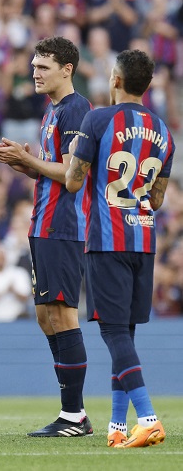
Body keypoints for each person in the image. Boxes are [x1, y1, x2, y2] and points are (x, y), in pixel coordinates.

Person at [66, 49, 175, 448]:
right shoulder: (164, 130)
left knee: (112, 331)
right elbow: (158, 198)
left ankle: (147, 417)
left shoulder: (97, 119)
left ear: (115, 79)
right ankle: (116, 427)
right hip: (143, 239)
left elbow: (74, 181)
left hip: (108, 239)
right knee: (124, 333)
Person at [0, 37, 93, 437]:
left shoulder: (76, 109)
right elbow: (53, 170)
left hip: (63, 226)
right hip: (43, 223)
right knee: (45, 315)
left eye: (43, 67)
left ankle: (74, 415)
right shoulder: (53, 112)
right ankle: (71, 410)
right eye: (33, 66)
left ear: (67, 69)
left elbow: (71, 177)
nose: (35, 72)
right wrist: (25, 163)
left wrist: (29, 160)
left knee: (62, 313)